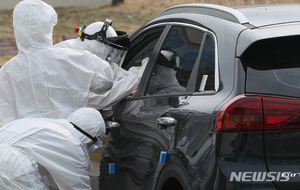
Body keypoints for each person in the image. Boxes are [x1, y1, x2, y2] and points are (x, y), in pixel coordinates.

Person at [0, 0, 114, 127]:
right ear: (49, 26)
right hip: (68, 138)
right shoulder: (73, 58)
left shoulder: (6, 72)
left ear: (17, 28)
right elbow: (106, 82)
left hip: (23, 142)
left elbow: (4, 119)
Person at [0, 107, 106, 190]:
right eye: (93, 142)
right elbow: (77, 186)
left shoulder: (51, 125)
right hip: (14, 165)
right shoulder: (72, 144)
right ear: (90, 137)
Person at [55, 20, 146, 110]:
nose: (111, 55)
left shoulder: (87, 52)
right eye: (110, 51)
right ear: (98, 45)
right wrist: (138, 79)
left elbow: (114, 72)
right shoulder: (73, 59)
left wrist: (142, 71)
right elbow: (98, 99)